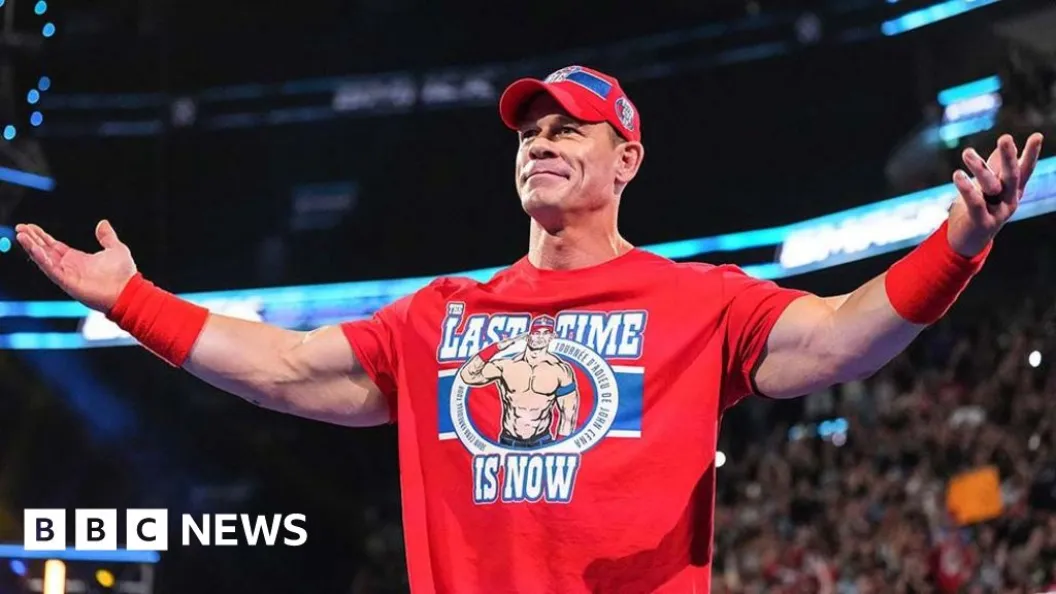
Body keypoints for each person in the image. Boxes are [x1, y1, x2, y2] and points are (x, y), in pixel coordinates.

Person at [13, 65, 1045, 593]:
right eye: (529, 133)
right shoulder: (442, 316)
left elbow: (841, 335)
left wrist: (960, 242)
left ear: (626, 160)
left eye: (567, 130)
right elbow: (286, 367)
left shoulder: (698, 302)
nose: (540, 144)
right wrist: (132, 301)